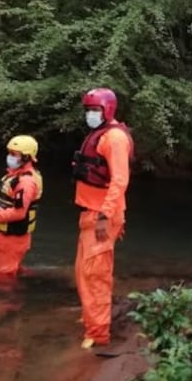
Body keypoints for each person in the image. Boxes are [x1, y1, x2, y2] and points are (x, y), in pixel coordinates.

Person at [71, 87, 134, 350]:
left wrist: (104, 215)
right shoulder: (102, 135)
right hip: (93, 212)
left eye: (94, 110)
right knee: (83, 271)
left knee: (95, 274)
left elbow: (120, 179)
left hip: (101, 216)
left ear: (107, 111)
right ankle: (92, 315)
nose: (90, 115)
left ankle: (97, 333)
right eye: (88, 110)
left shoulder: (114, 139)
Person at [0, 135, 42, 276]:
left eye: (14, 154)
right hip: (10, 234)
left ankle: (5, 298)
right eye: (9, 153)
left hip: (14, 236)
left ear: (26, 157)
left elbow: (19, 213)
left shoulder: (26, 182)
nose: (10, 157)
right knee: (12, 269)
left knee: (4, 275)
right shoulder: (15, 176)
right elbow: (3, 200)